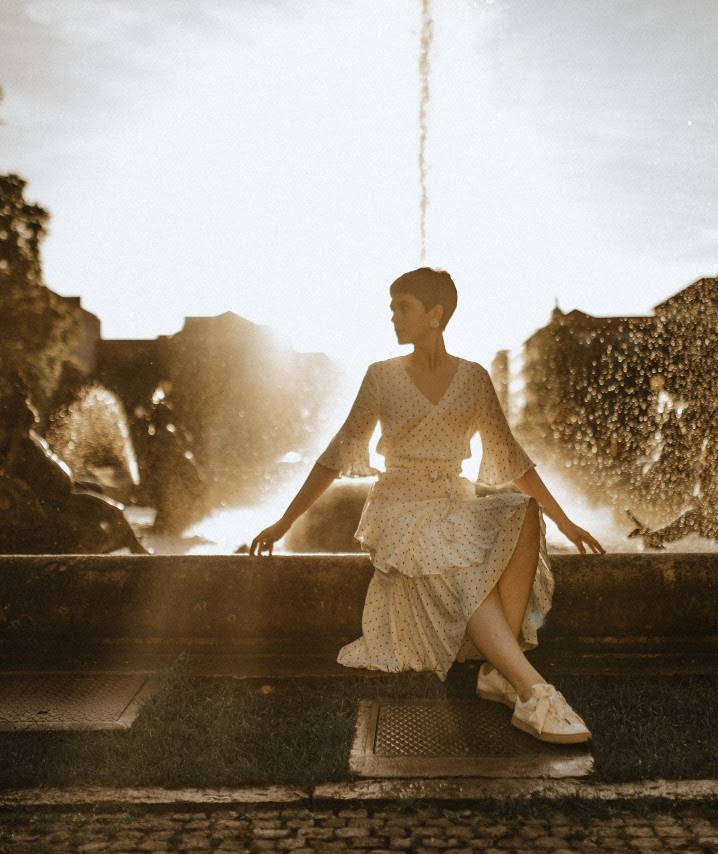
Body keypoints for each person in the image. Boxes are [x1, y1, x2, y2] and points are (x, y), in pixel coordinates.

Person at [250, 267, 605, 744]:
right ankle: (531, 689)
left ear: (435, 315)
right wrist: (283, 522)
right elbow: (337, 453)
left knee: (523, 511)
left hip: (452, 502)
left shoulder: (474, 378)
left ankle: (498, 670)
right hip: (401, 509)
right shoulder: (381, 376)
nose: (393, 317)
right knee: (461, 556)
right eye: (392, 307)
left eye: (404, 307)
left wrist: (566, 521)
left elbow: (512, 458)